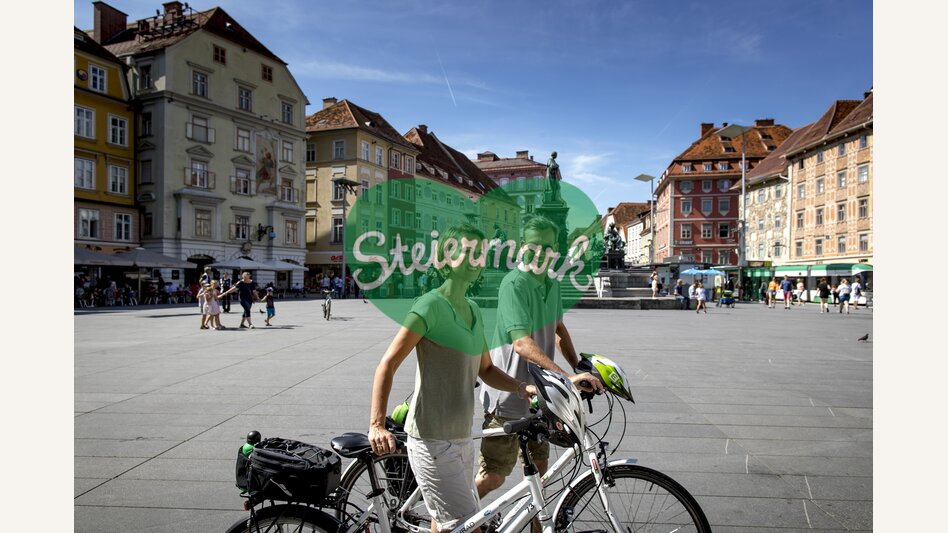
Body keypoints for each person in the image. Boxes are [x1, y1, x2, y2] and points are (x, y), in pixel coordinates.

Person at [367, 224, 536, 533]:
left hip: (461, 436)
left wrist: (520, 387)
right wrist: (376, 424)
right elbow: (388, 363)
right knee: (467, 526)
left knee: (444, 524)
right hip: (431, 438)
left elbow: (485, 369)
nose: (475, 259)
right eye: (467, 251)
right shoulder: (429, 306)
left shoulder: (472, 308)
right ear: (445, 256)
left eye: (480, 253)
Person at [476, 215, 603, 511]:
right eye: (534, 245)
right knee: (494, 476)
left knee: (540, 476)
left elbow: (558, 330)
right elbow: (521, 342)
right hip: (508, 397)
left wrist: (579, 366)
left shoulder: (552, 284)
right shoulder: (514, 284)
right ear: (522, 247)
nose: (540, 252)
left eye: (547, 246)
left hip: (541, 399)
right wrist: (564, 378)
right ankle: (453, 518)